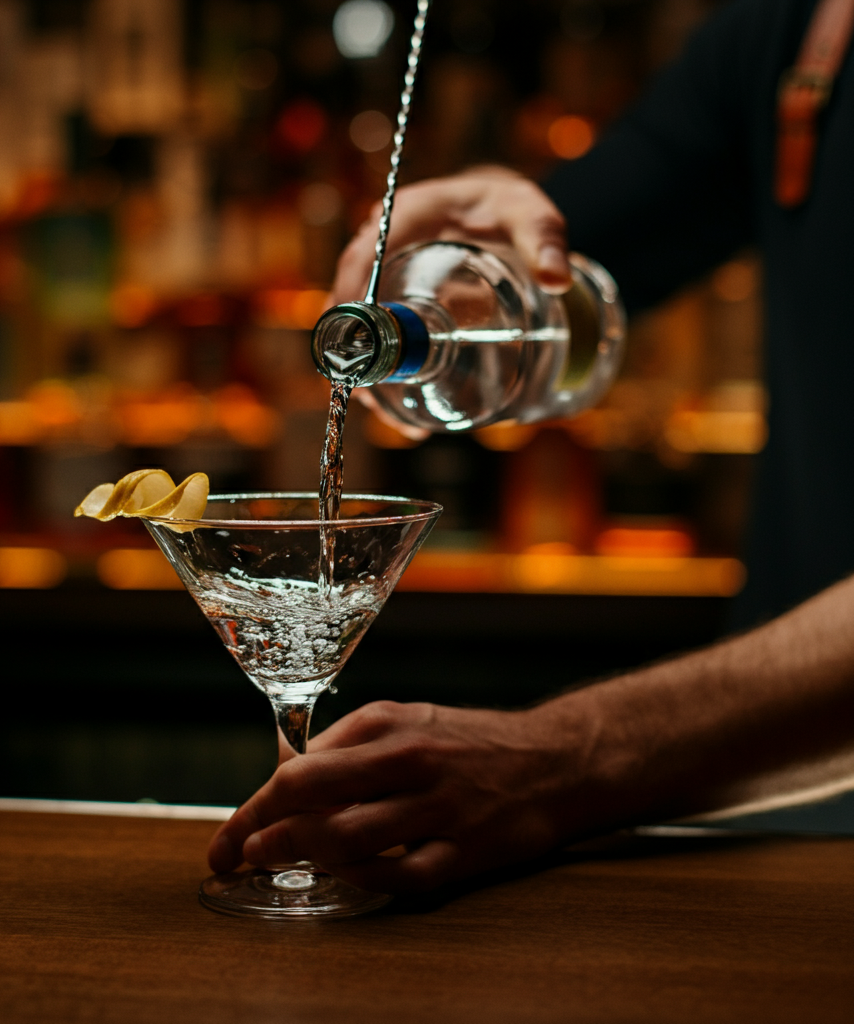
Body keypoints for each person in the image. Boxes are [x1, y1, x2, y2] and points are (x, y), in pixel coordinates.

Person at [208, 0, 854, 893]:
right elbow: (567, 264)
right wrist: (492, 243)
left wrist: (570, 755)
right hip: (760, 838)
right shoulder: (800, 32)